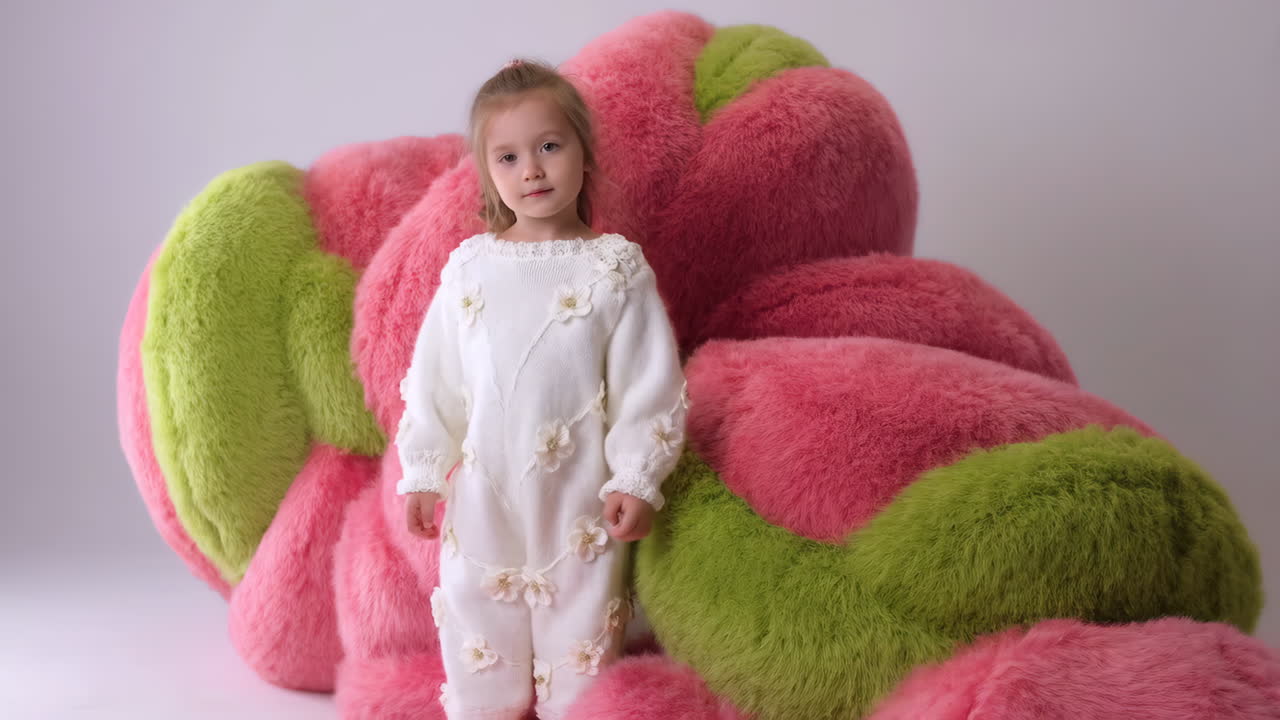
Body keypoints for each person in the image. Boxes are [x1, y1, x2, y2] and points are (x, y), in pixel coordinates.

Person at [394, 57, 689, 720]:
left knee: (581, 637)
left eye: (549, 147)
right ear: (487, 171)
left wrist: (637, 477)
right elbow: (436, 377)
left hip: (579, 503)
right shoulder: (470, 269)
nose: (531, 170)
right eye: (508, 156)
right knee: (476, 619)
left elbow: (649, 383)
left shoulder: (613, 268)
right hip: (482, 499)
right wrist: (421, 468)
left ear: (583, 153)